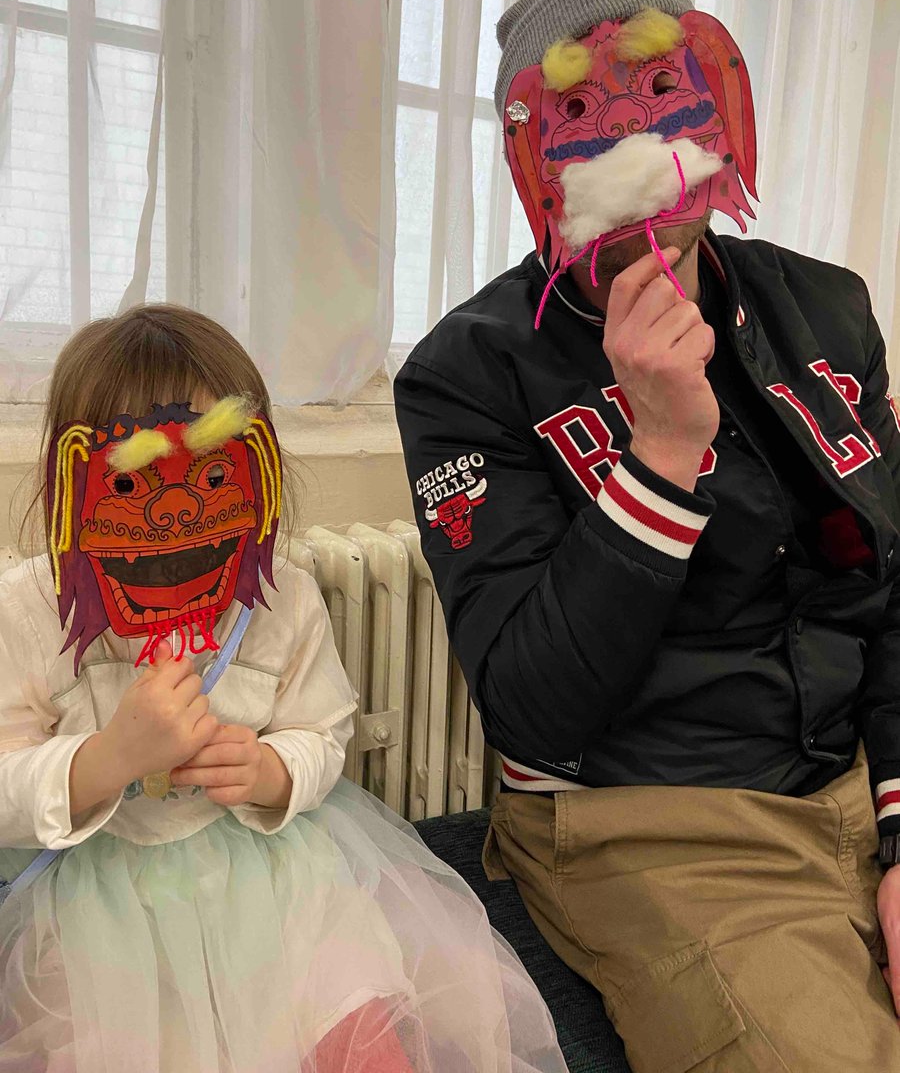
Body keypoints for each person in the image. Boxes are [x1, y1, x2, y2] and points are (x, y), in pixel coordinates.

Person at [394, 0, 900, 1070]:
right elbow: (530, 709)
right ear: (536, 158)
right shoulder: (464, 376)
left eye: (664, 90)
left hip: (860, 778)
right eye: (582, 111)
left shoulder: (827, 308)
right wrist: (662, 457)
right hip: (650, 823)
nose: (632, 139)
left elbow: (891, 586)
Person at [0, 303, 567, 1073]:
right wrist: (106, 758)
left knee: (358, 1033)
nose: (176, 510)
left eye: (213, 475)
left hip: (276, 881)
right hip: (103, 906)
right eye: (130, 482)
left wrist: (271, 772)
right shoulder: (27, 613)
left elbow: (323, 728)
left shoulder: (281, 599)